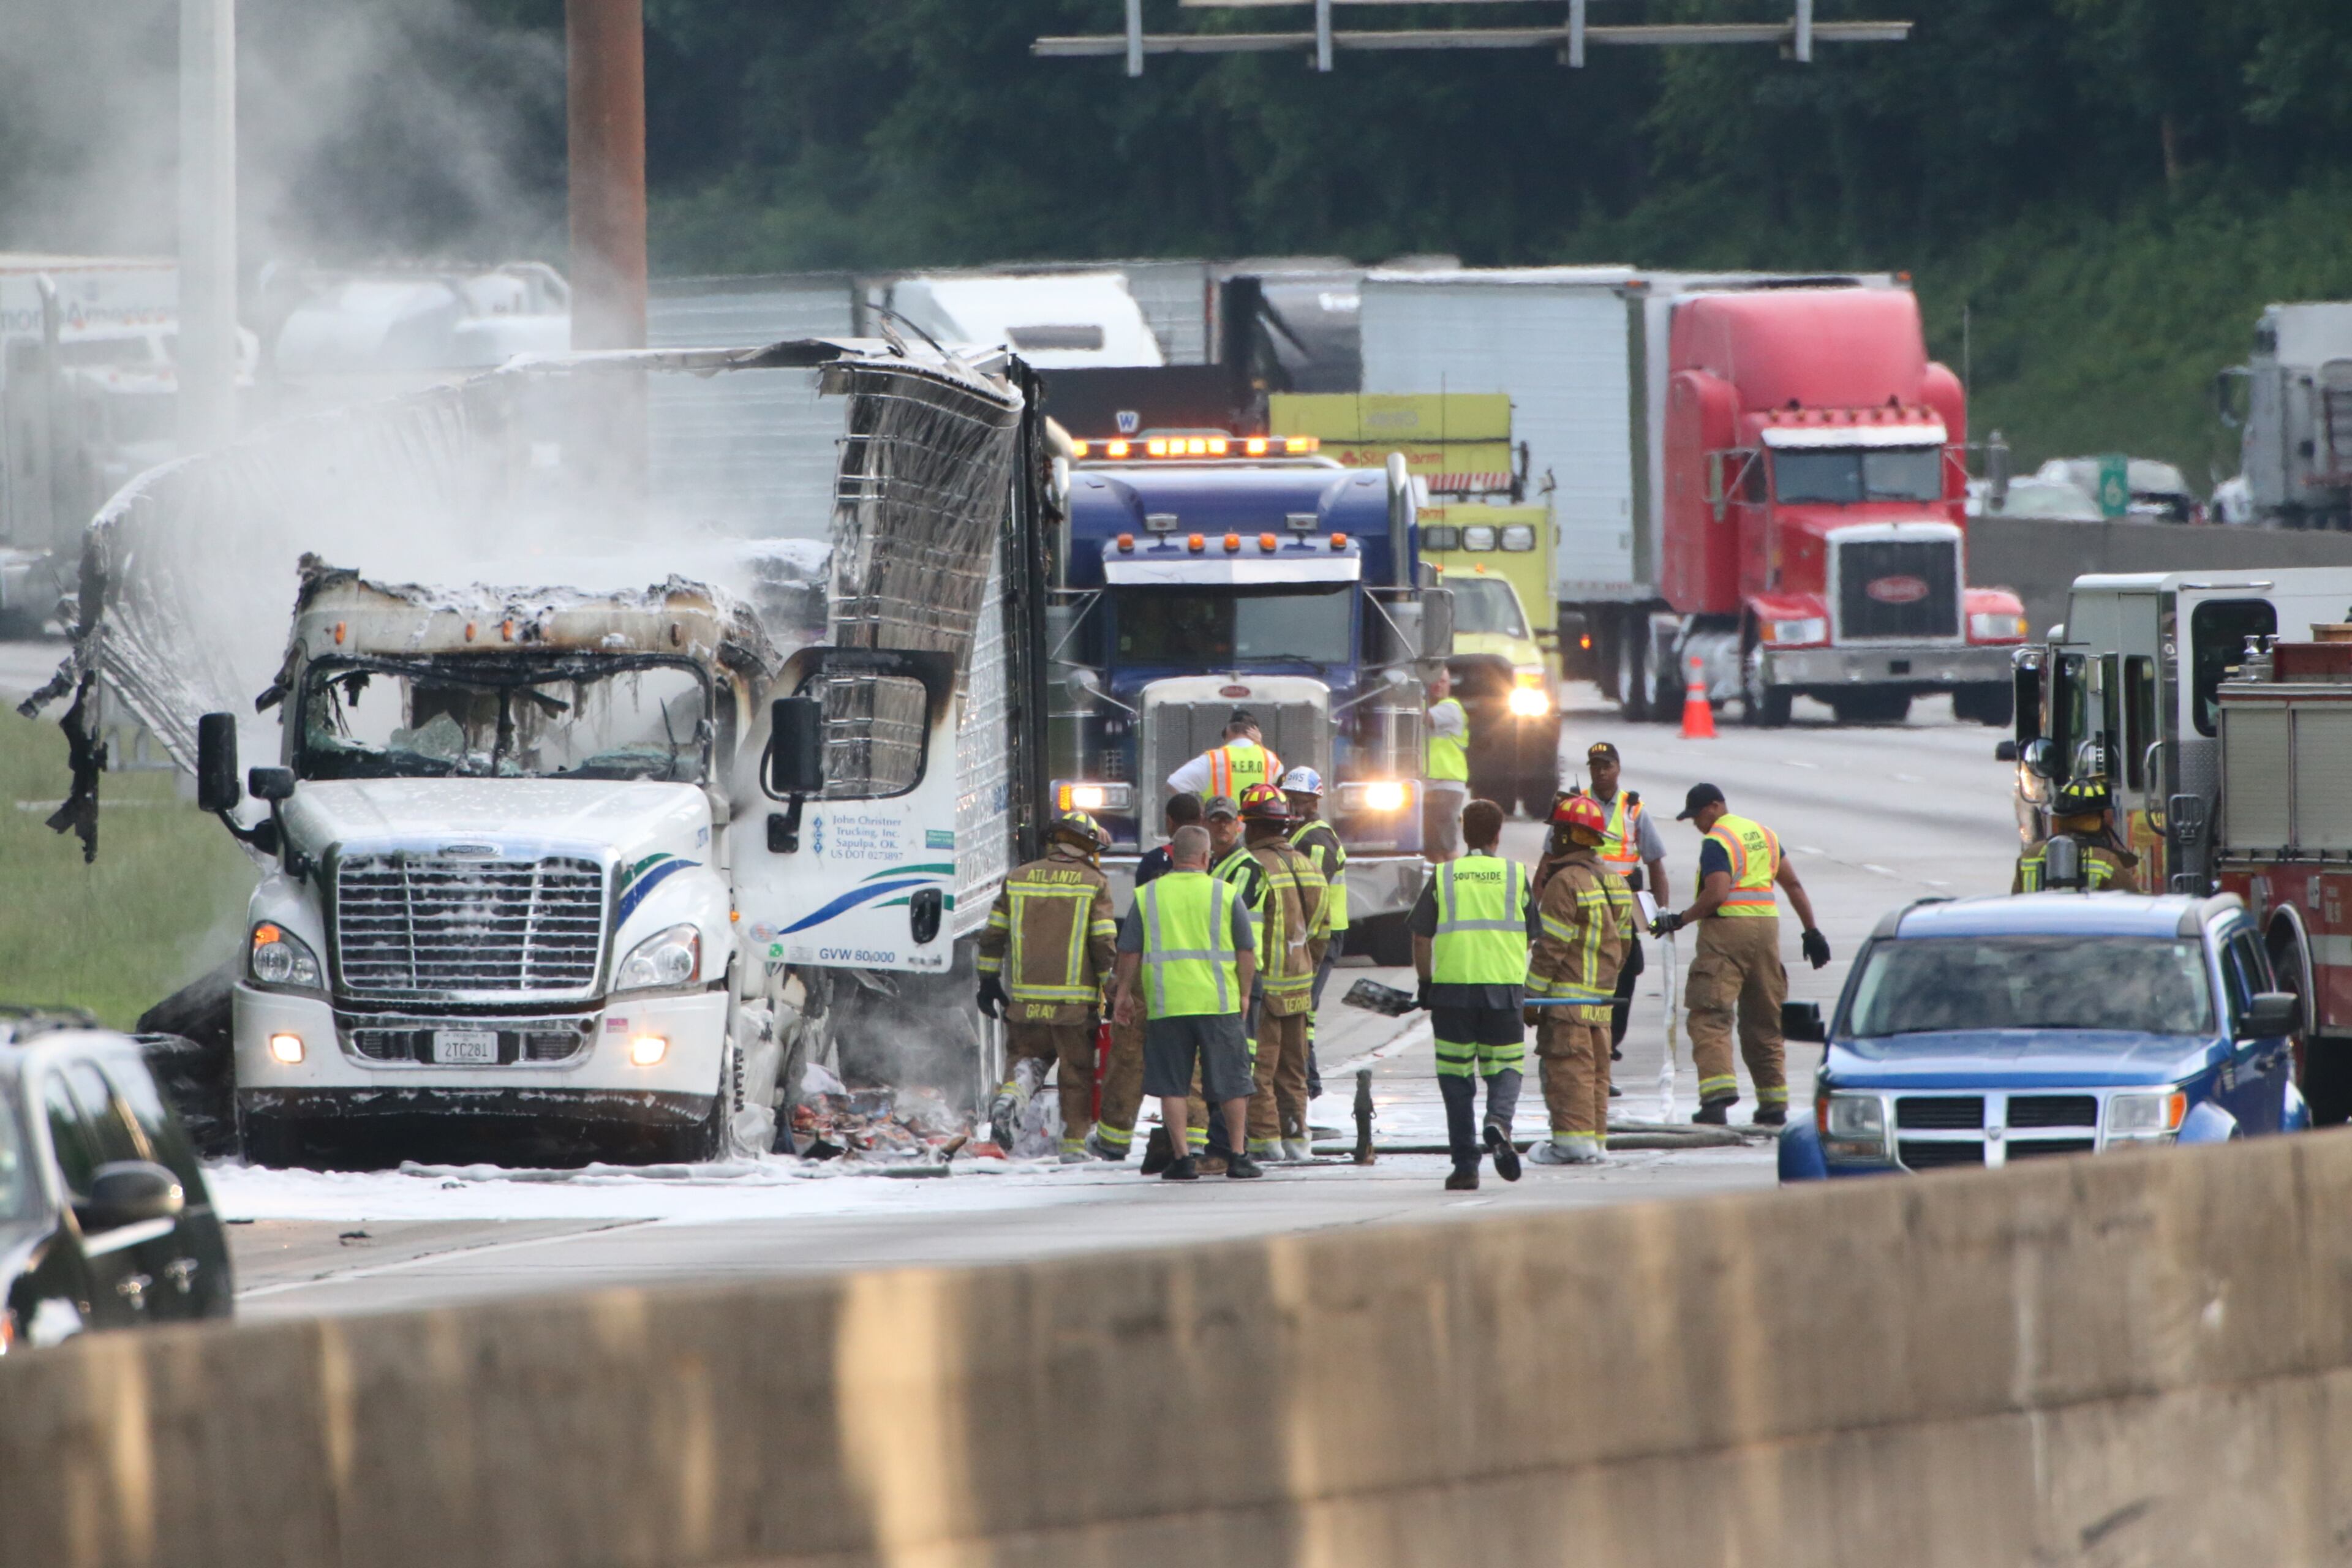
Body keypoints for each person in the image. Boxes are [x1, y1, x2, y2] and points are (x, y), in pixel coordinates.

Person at [1649, 784, 1830, 1127]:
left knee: (1710, 1013)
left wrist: (1681, 918)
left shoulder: (1718, 840)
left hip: (1727, 932)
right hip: (1766, 932)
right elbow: (1792, 885)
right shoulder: (1764, 834)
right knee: (1765, 1019)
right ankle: (1773, 1103)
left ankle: (1716, 1098)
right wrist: (1812, 931)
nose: (1697, 825)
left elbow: (1717, 893)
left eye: (1698, 816)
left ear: (1715, 807)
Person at [1111, 824, 1262, 1181]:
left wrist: (1124, 994)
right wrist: (1243, 994)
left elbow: (1129, 949)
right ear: (1207, 858)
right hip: (1219, 1003)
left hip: (1168, 1004)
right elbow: (1246, 949)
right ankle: (1238, 1156)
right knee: (1232, 1082)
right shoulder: (1224, 893)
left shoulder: (1149, 895)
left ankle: (1181, 1160)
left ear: (1173, 854)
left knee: (1172, 1085)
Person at [976, 810, 1122, 1159]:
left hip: (1025, 1002)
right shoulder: (1094, 882)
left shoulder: (1018, 877)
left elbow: (993, 934)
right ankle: (1073, 1145)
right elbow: (1103, 944)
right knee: (1076, 1074)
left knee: (1027, 1061)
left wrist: (988, 980)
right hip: (1072, 1006)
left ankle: (1012, 1095)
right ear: (1087, 846)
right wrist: (1113, 991)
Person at [1410, 797, 1539, 1191]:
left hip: (1452, 995)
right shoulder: (1517, 876)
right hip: (1502, 993)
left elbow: (1420, 935)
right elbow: (1533, 937)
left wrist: (1426, 983)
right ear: (1499, 834)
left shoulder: (1445, 876)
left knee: (1456, 1080)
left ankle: (1465, 1166)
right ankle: (1498, 1122)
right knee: (1506, 1069)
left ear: (1464, 833)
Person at [1088, 794, 1204, 1162]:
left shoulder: (1153, 865)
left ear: (1169, 822)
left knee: (1128, 1059)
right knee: (1194, 1062)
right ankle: (1196, 1138)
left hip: (1146, 977)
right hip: (1196, 982)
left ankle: (1114, 1139)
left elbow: (1133, 938)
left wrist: (1120, 988)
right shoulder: (1215, 880)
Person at [1525, 794, 1638, 1164]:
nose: (1554, 837)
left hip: (1566, 1003)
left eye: (1559, 830)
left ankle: (1571, 1146)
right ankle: (1596, 1143)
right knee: (1596, 1077)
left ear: (1572, 835)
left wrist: (1532, 997)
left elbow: (1550, 948)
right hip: (1600, 1003)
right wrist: (1603, 985)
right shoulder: (1615, 881)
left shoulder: (1565, 882)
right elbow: (1622, 947)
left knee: (1569, 1072)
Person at [1235, 783, 1329, 1161]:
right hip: (1300, 987)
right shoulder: (1311, 869)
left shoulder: (1251, 868)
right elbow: (1322, 935)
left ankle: (1264, 1140)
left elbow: (1241, 934)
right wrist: (1306, 971)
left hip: (1263, 990)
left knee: (1260, 1066)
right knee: (1294, 1070)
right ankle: (1296, 1137)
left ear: (1253, 827)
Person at [1583, 741, 1670, 1068]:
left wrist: (1661, 913)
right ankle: (1596, 1045)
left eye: (1607, 766)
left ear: (1618, 768)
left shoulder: (1633, 809)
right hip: (1586, 909)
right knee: (1590, 978)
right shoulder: (1576, 806)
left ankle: (1610, 1043)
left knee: (1627, 974)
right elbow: (1550, 860)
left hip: (1624, 911)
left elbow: (1655, 864)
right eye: (1595, 766)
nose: (1601, 772)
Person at [1283, 766, 1347, 1103]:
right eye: (1290, 799)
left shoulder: (1316, 840)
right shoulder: (1300, 835)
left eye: (1302, 800)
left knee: (1303, 1006)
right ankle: (1308, 1081)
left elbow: (1314, 897)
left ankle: (1309, 1082)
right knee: (1301, 1005)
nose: (1294, 806)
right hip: (1310, 934)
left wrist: (1301, 941)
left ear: (1315, 800)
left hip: (1320, 935)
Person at [2014, 776, 2143, 892]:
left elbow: (2015, 903)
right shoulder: (2107, 861)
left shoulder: (2029, 857)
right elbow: (2134, 905)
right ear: (2104, 816)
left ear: (2059, 818)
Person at [1166, 709, 1285, 802]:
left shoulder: (1212, 760)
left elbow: (1174, 784)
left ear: (1227, 732)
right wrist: (1260, 746)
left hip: (1220, 830)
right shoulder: (1271, 761)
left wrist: (1200, 813)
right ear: (1256, 734)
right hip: (1258, 831)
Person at [1423, 668, 1469, 862]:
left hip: (1446, 785)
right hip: (1432, 785)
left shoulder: (1450, 708)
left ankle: (1459, 884)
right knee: (1433, 849)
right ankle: (1443, 887)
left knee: (1446, 847)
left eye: (1443, 681)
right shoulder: (1435, 707)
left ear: (1450, 685)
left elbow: (1423, 718)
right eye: (1434, 681)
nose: (1438, 685)